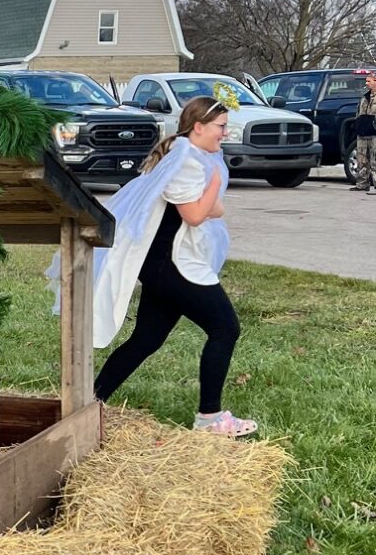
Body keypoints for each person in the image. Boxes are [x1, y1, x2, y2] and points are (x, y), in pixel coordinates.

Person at [89, 95, 255, 437]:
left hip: (162, 265)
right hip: (174, 265)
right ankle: (209, 418)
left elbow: (216, 210)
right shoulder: (187, 162)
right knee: (225, 328)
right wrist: (210, 188)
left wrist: (208, 198)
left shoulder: (187, 154)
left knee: (146, 339)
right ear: (198, 127)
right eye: (220, 127)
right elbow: (196, 214)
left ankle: (89, 403)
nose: (224, 134)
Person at [354, 73, 376, 194]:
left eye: (369, 81)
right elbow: (359, 112)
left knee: (375, 159)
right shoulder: (364, 97)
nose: (366, 83)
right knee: (361, 158)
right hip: (363, 132)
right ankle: (362, 184)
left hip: (374, 133)